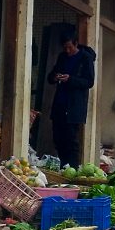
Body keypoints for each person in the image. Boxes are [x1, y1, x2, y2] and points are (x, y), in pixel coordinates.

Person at [46, 31, 96, 169]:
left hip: (74, 106)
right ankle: (63, 167)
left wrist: (71, 79)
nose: (67, 51)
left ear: (75, 43)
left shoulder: (86, 58)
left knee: (71, 141)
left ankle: (72, 169)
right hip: (60, 104)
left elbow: (89, 82)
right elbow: (51, 76)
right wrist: (55, 77)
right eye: (65, 48)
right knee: (58, 138)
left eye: (70, 47)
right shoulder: (62, 57)